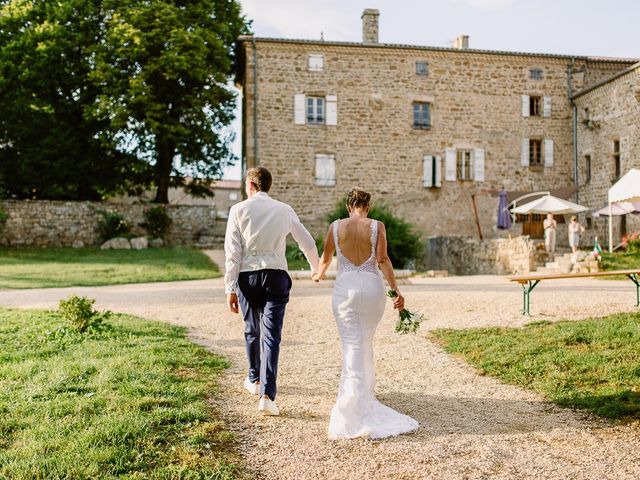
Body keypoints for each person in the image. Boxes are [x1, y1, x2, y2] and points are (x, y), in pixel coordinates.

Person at [312, 188, 419, 439]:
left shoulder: (335, 227)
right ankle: (362, 394)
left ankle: (354, 400)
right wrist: (396, 291)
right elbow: (382, 259)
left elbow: (326, 258)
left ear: (349, 206)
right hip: (371, 289)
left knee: (351, 343)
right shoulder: (377, 226)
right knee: (365, 341)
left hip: (345, 290)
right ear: (367, 206)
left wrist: (318, 274)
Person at [224, 167, 319, 416]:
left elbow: (232, 253)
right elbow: (307, 242)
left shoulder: (238, 210)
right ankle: (267, 395)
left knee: (251, 329)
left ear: (251, 185)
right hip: (276, 275)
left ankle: (254, 379)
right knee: (271, 335)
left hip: (247, 276)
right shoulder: (284, 209)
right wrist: (315, 269)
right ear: (267, 185)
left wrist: (230, 288)